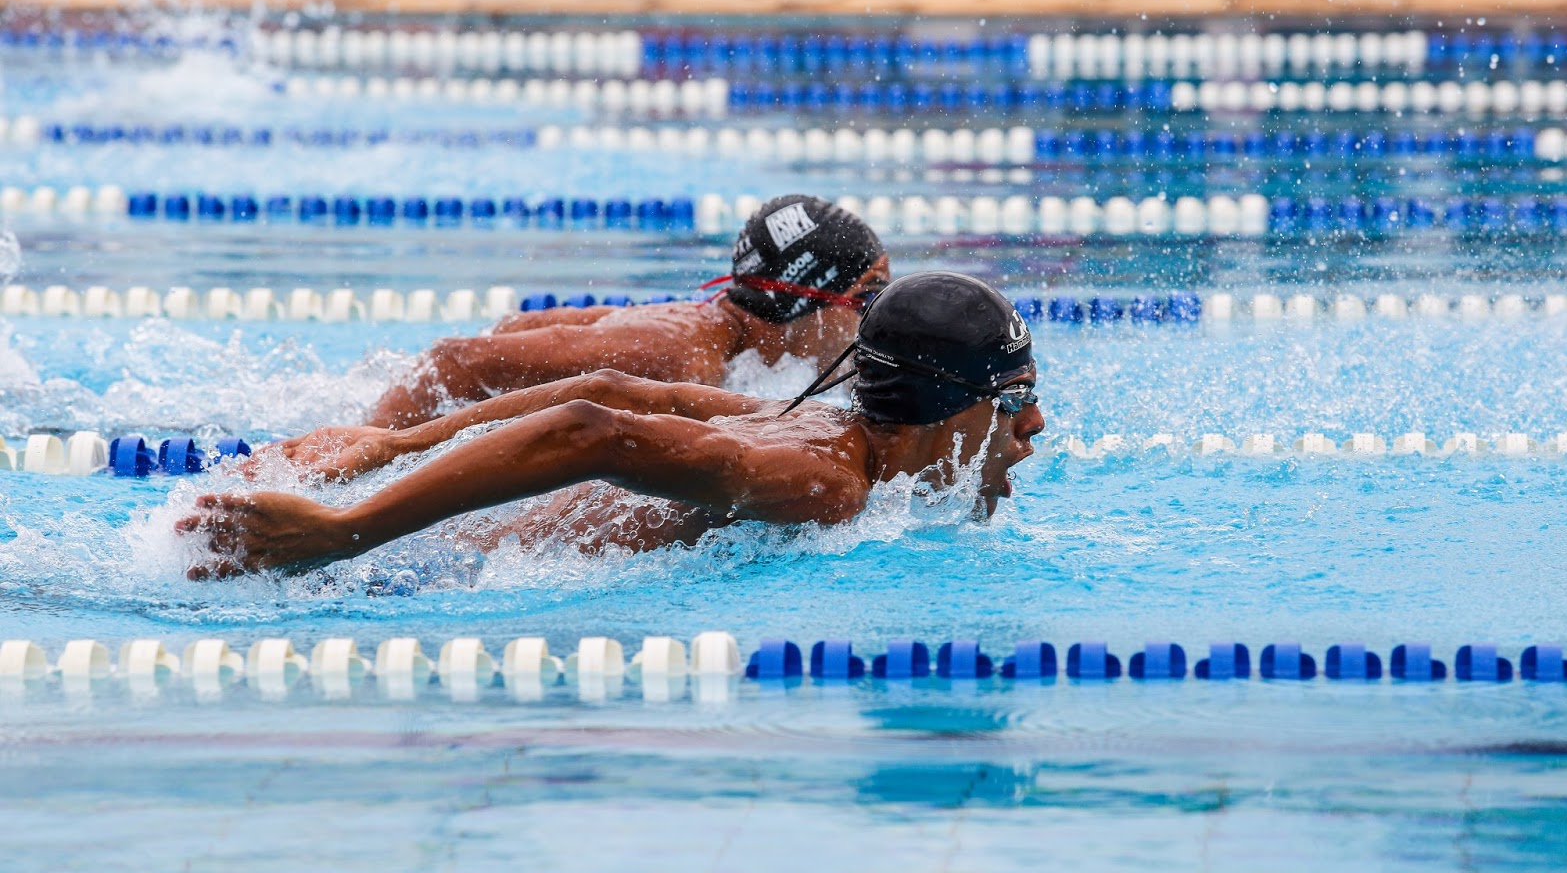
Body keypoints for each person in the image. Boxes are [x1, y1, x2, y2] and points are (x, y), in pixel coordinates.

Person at [180, 272, 1045, 578]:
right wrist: (343, 529)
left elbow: (616, 387)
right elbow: (592, 423)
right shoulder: (821, 483)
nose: (1033, 425)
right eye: (1013, 398)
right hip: (439, 578)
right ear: (943, 405)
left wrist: (397, 443)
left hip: (468, 553)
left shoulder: (823, 424)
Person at [367, 194, 890, 428]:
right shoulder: (675, 356)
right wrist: (379, 454)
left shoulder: (723, 347)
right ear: (808, 301)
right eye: (869, 295)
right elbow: (453, 362)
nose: (875, 318)